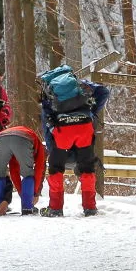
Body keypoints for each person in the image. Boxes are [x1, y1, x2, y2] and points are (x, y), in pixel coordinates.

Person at [40, 75, 110, 217]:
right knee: (87, 168)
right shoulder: (83, 96)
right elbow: (104, 91)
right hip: (84, 128)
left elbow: (47, 126)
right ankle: (90, 207)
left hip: (62, 132)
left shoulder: (50, 98)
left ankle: (55, 208)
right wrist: (84, 84)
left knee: (56, 169)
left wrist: (53, 149)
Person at [0, 125, 46, 216]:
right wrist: (34, 193)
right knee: (28, 174)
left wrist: (22, 193)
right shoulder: (40, 147)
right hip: (23, 138)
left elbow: (14, 172)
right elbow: (39, 169)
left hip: (1, 138)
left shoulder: (17, 153)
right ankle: (27, 208)